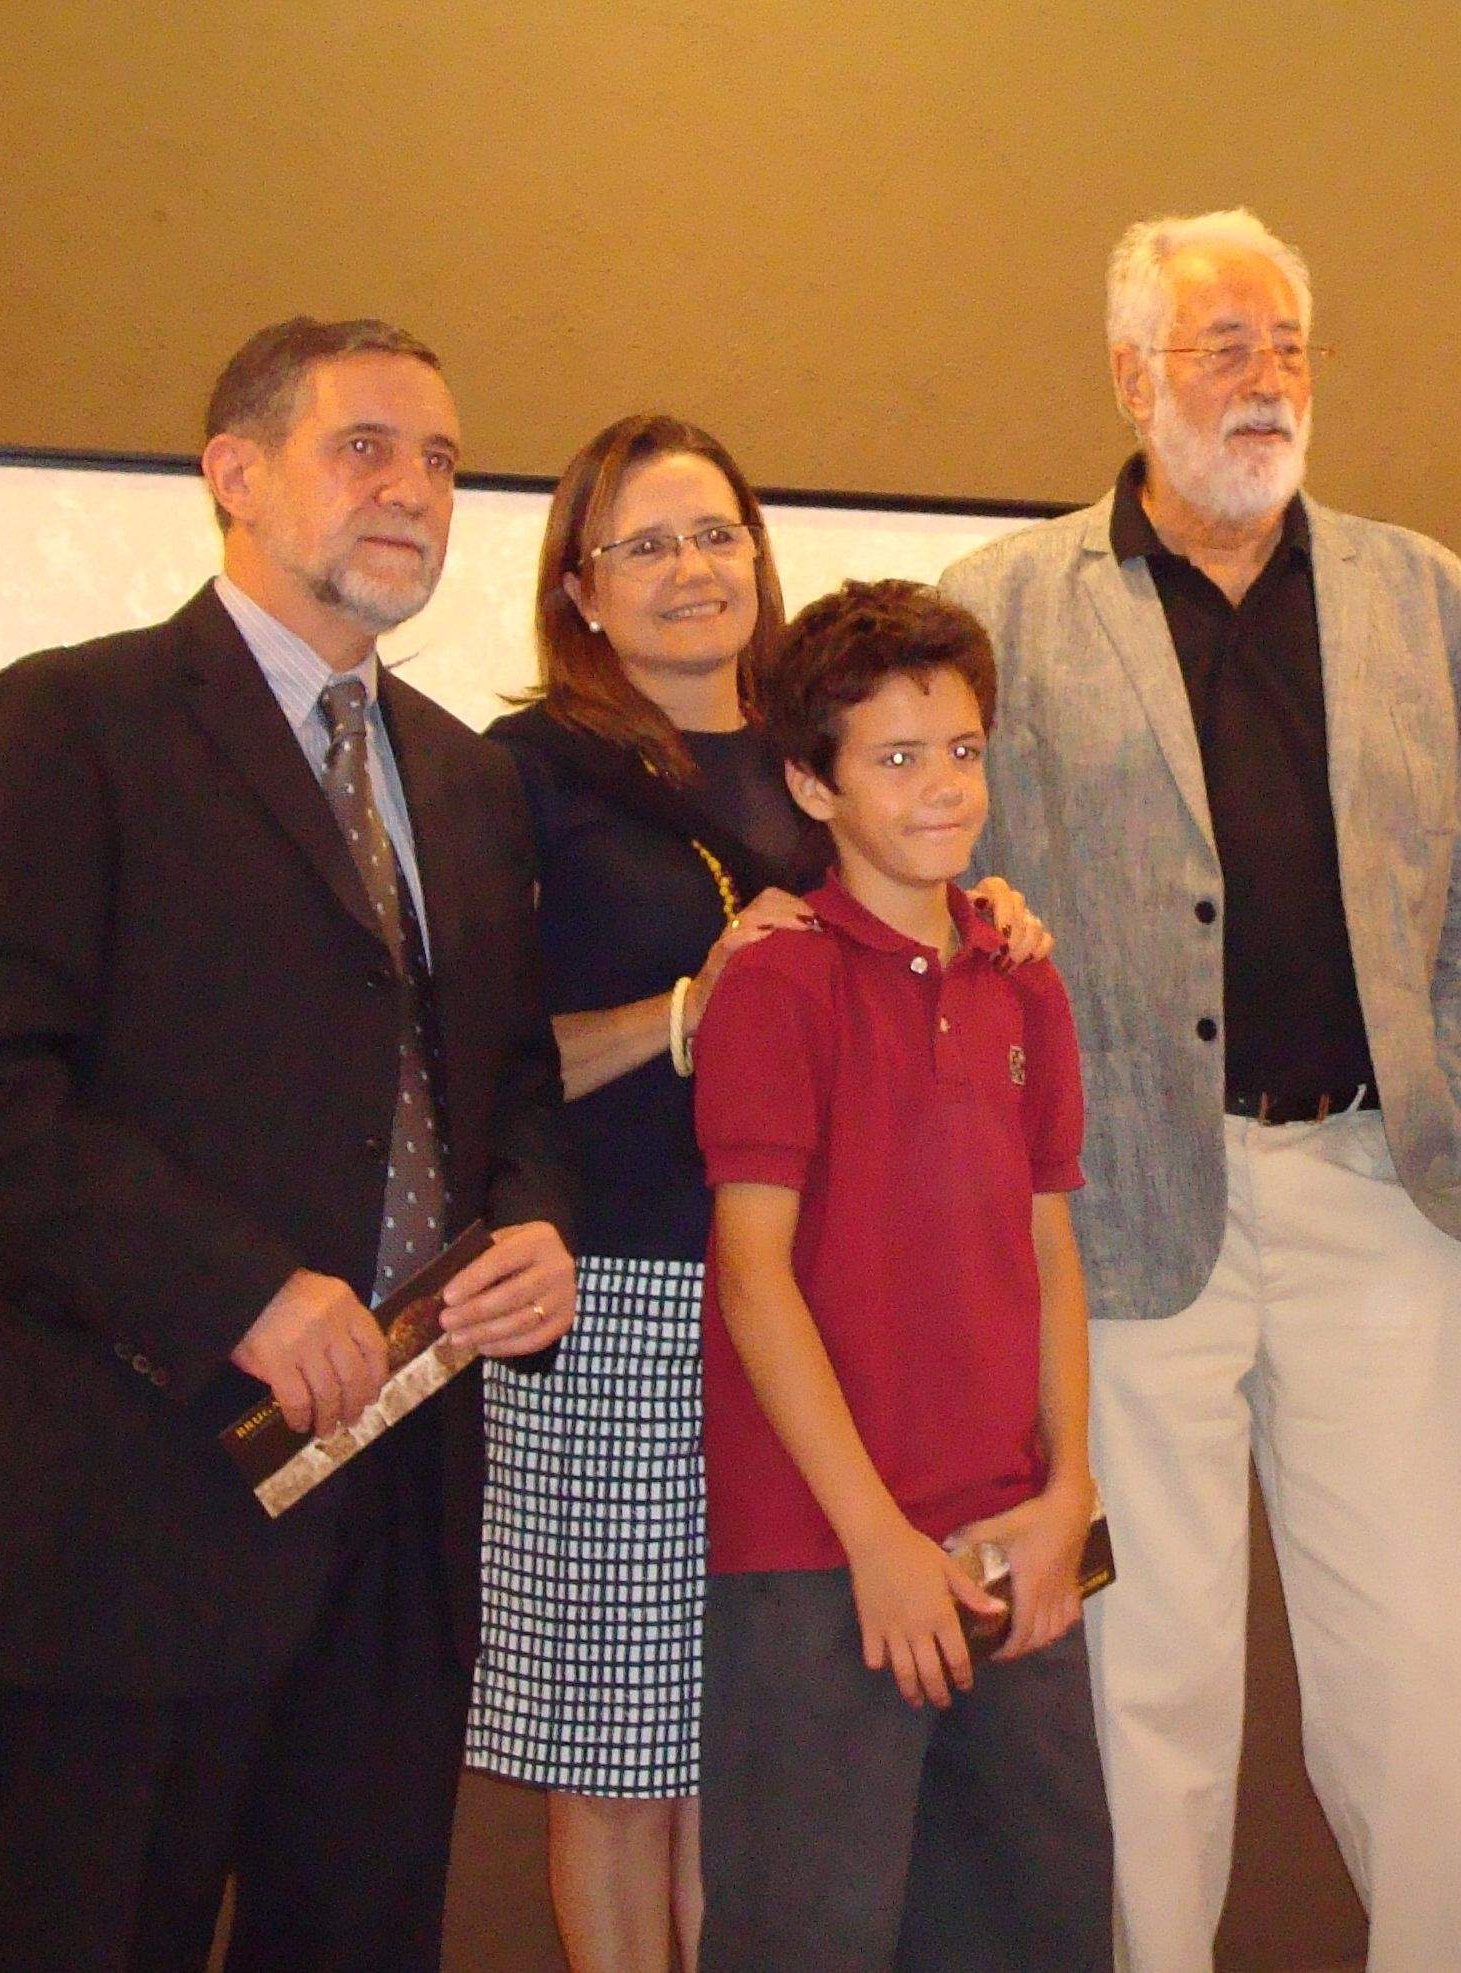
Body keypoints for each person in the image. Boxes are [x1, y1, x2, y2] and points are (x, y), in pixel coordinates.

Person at [938, 207, 1461, 1970]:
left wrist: (1459, 1097)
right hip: (1121, 1221)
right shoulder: (1006, 606)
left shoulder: (1423, 590)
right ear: (1132, 376)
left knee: (1426, 1674)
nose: (1267, 380)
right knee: (1148, 1687)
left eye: (1288, 345)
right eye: (1224, 347)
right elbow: (952, 899)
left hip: (1377, 1197)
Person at [0, 315, 577, 1969]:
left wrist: (534, 1223)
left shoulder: (461, 779)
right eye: (364, 447)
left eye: (441, 460)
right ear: (233, 473)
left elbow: (503, 1079)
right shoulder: (64, 721)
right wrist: (241, 1289)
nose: (417, 490)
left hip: (401, 1525)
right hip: (130, 1516)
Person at [468, 414, 1052, 1971]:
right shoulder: (520, 774)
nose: (690, 569)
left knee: (760, 1739)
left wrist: (974, 901)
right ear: (578, 588)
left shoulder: (828, 748)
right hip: (626, 1292)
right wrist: (688, 1007)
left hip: (821, 1305)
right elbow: (480, 1058)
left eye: (715, 532)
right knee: (621, 1752)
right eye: (643, 544)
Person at [692, 579, 1108, 1970]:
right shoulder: (779, 978)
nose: (942, 786)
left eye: (965, 750)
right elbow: (753, 1278)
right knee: (815, 1933)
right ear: (810, 782)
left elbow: (1048, 1246)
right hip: (822, 1560)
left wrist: (1070, 1488)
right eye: (894, 756)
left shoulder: (1023, 977)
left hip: (1009, 1548)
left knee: (1035, 1928)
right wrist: (873, 1540)